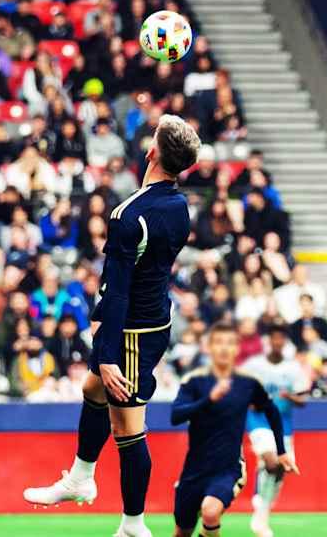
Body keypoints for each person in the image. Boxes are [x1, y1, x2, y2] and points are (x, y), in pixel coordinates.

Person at [23, 115, 200, 537]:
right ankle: (82, 476)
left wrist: (107, 356)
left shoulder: (128, 215)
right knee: (92, 390)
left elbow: (116, 291)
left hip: (133, 328)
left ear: (151, 152)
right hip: (153, 317)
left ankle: (134, 524)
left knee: (127, 425)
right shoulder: (178, 206)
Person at [170, 322, 298, 537]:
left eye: (229, 343)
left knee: (211, 512)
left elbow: (271, 411)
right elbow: (176, 416)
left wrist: (282, 451)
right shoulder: (194, 381)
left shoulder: (247, 383)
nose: (223, 348)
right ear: (209, 347)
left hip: (228, 469)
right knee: (183, 531)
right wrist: (208, 400)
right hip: (194, 471)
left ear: (237, 348)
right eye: (218, 342)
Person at [242, 323, 310, 537]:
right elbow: (242, 389)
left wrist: (291, 397)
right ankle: (260, 513)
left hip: (283, 424)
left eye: (282, 339)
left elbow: (303, 399)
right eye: (274, 338)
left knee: (281, 468)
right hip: (258, 420)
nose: (277, 342)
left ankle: (262, 506)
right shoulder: (254, 365)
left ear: (285, 342)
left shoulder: (293, 369)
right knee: (271, 461)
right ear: (268, 341)